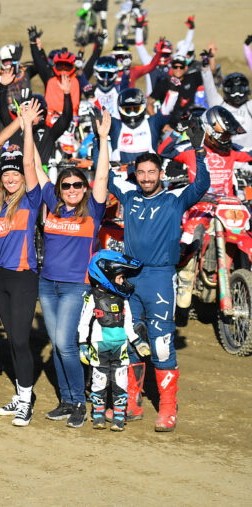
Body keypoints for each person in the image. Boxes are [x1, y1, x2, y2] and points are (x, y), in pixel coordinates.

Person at [107, 129, 209, 432]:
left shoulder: (176, 198)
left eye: (152, 172)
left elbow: (202, 184)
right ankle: (132, 404)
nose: (147, 177)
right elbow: (107, 179)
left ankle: (167, 408)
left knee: (162, 344)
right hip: (131, 278)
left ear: (161, 173)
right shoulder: (130, 194)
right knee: (132, 341)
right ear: (135, 174)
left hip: (161, 278)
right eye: (141, 172)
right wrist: (103, 140)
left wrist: (199, 149)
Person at [33, 109, 112, 429]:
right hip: (47, 284)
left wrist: (104, 139)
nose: (72, 189)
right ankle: (66, 399)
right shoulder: (51, 204)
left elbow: (103, 176)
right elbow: (34, 168)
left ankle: (80, 400)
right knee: (56, 342)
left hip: (74, 287)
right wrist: (27, 129)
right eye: (66, 185)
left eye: (78, 184)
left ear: (84, 186)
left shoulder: (92, 209)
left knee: (65, 344)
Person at [0, 100, 43, 426]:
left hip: (24, 277)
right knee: (11, 338)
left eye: (16, 174)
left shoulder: (32, 199)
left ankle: (26, 400)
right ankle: (21, 394)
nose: (12, 178)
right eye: (7, 174)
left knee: (22, 340)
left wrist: (27, 128)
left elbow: (28, 161)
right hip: (0, 278)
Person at [78, 250, 150, 432]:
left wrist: (137, 341)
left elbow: (128, 324)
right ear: (106, 276)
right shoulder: (92, 297)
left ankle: (119, 416)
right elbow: (84, 322)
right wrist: (83, 344)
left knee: (120, 382)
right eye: (120, 278)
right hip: (98, 346)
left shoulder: (123, 299)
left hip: (120, 347)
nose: (123, 281)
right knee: (99, 381)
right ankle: (99, 415)